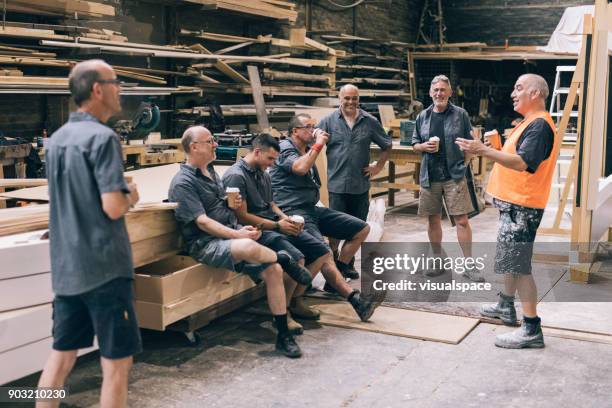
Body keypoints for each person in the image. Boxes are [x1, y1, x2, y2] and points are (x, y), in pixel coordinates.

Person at [37, 59, 141, 408]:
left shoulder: (57, 140)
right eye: (116, 82)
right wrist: (131, 196)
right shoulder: (102, 138)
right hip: (105, 270)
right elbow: (112, 206)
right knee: (116, 363)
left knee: (61, 356)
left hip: (68, 269)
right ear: (98, 89)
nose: (120, 89)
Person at [168, 125, 313, 358]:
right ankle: (284, 258)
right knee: (251, 247)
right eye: (210, 141)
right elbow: (203, 223)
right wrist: (238, 235)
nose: (215, 144)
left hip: (228, 234)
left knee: (273, 271)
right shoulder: (183, 182)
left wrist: (238, 224)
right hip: (206, 243)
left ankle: (282, 334)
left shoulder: (211, 172)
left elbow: (220, 211)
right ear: (194, 147)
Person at [455, 73, 558, 349]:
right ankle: (505, 305)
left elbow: (523, 163)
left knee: (519, 265)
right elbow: (515, 157)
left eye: (519, 88)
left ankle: (531, 328)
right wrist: (492, 149)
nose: (513, 92)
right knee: (511, 261)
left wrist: (483, 151)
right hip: (515, 205)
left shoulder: (539, 126)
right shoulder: (528, 123)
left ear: (535, 93)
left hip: (523, 207)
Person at [269, 113, 386, 320]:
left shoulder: (304, 149)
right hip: (293, 212)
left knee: (361, 228)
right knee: (323, 252)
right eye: (308, 127)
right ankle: (354, 300)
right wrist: (319, 145)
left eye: (314, 126)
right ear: (295, 131)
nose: (314, 130)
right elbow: (300, 168)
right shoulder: (285, 148)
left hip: (311, 208)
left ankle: (336, 277)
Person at [222, 133, 330, 334]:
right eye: (270, 159)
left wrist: (285, 218)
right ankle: (283, 312)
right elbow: (243, 217)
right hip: (256, 231)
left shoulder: (263, 173)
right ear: (256, 152)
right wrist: (278, 226)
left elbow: (271, 203)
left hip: (274, 224)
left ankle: (296, 300)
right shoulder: (236, 175)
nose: (272, 164)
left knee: (322, 251)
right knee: (296, 259)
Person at [317, 84, 392, 278]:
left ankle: (347, 264)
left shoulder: (370, 121)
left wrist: (378, 167)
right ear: (339, 98)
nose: (350, 102)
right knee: (334, 230)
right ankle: (332, 263)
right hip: (337, 185)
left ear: (358, 99)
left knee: (357, 228)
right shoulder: (328, 121)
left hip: (360, 185)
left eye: (354, 98)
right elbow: (312, 141)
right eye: (347, 98)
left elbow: (387, 144)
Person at [411, 74, 480, 281]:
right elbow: (414, 143)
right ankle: (438, 261)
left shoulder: (461, 114)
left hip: (454, 176)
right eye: (436, 90)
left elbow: (471, 141)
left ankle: (469, 266)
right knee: (433, 220)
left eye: (443, 90)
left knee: (462, 220)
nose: (439, 93)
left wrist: (465, 163)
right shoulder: (422, 116)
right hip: (429, 176)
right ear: (431, 93)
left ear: (450, 92)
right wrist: (423, 146)